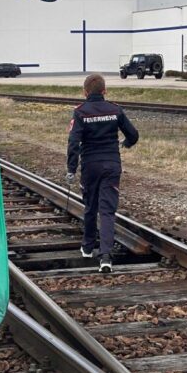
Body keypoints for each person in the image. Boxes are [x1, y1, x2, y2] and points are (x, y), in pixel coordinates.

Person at [65, 73, 139, 273]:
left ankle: (88, 247)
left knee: (90, 206)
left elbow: (73, 143)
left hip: (90, 166)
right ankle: (105, 256)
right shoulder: (115, 110)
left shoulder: (80, 112)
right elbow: (133, 134)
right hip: (112, 165)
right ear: (104, 91)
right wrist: (126, 143)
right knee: (107, 210)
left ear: (85, 92)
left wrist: (71, 169)